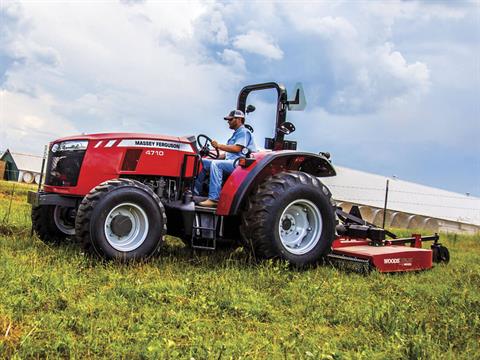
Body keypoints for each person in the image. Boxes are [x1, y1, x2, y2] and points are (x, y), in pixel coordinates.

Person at [194, 109, 257, 207]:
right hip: (231, 160)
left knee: (216, 165)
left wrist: (218, 146)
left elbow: (237, 149)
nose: (228, 121)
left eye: (230, 119)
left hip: (239, 164)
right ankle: (195, 193)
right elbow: (228, 153)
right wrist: (214, 156)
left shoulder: (244, 132)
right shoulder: (236, 133)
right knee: (202, 162)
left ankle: (214, 199)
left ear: (239, 120)